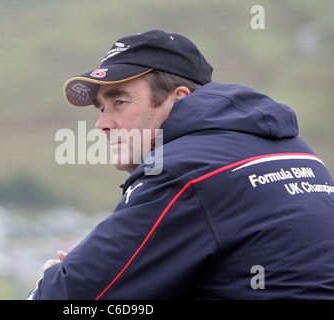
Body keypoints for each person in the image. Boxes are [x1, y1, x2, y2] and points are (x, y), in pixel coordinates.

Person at [28, 29, 334, 299]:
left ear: (178, 98)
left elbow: (71, 296)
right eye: (101, 108)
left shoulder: (181, 171)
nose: (102, 124)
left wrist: (56, 280)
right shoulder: (298, 151)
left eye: (119, 102)